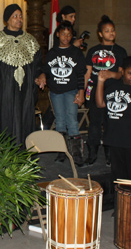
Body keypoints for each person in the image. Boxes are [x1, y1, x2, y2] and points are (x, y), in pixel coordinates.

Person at [0, 4, 41, 145]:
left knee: (24, 119)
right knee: (4, 120)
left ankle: (25, 156)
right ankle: (4, 157)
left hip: (25, 92)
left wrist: (40, 76)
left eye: (20, 16)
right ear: (7, 19)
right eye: (15, 16)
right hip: (3, 92)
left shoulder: (31, 41)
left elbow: (38, 66)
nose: (19, 19)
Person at [36, 21, 86, 166]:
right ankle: (61, 151)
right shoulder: (52, 52)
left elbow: (81, 74)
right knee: (60, 121)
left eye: (69, 35)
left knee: (72, 120)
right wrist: (43, 76)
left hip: (71, 91)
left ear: (72, 36)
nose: (66, 37)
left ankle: (76, 154)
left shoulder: (76, 53)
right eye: (63, 34)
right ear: (58, 34)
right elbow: (46, 71)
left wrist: (81, 92)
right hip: (56, 92)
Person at [84, 15, 127, 166]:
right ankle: (92, 153)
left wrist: (111, 74)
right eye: (107, 31)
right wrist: (84, 92)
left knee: (111, 123)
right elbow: (88, 73)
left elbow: (122, 73)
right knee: (94, 123)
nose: (111, 33)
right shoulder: (93, 50)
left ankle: (110, 154)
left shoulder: (120, 51)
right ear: (101, 34)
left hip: (113, 90)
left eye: (113, 30)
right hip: (95, 90)